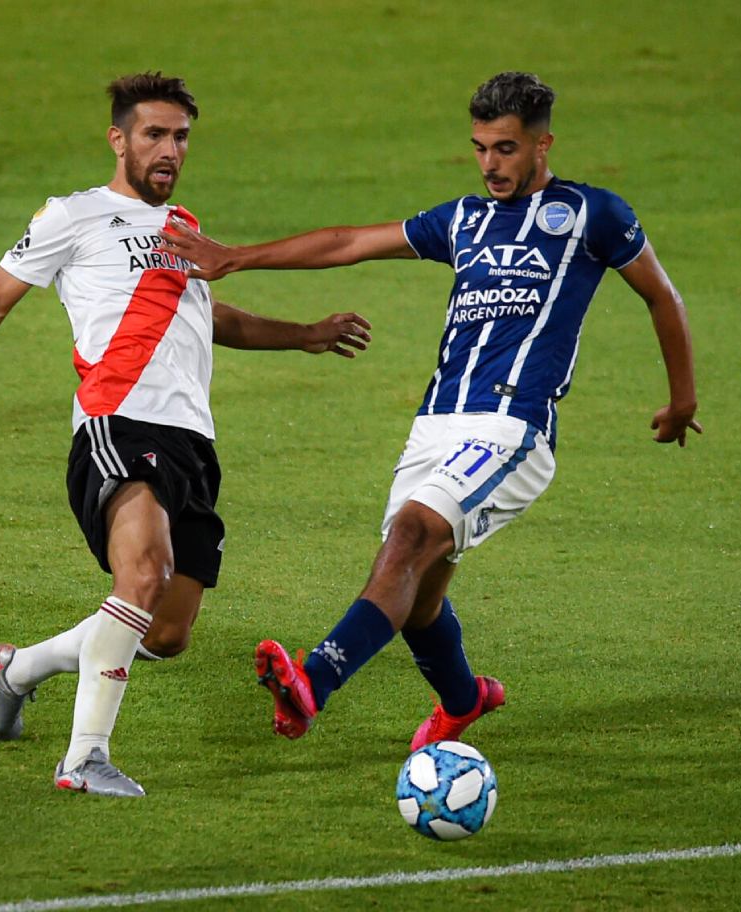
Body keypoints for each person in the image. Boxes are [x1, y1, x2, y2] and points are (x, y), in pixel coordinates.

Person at [160, 71, 701, 750]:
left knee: (411, 537)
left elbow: (662, 296)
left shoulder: (593, 215)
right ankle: (464, 699)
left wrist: (682, 400)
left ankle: (312, 682)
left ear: (542, 144)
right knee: (414, 593)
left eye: (505, 149)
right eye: (480, 148)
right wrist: (237, 258)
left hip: (514, 427)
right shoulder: (463, 221)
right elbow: (346, 241)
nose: (490, 164)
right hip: (435, 426)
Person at [0, 72, 371, 797]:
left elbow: (210, 316)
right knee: (139, 578)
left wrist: (303, 335)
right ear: (119, 139)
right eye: (155, 135)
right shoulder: (72, 217)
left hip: (192, 444)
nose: (170, 150)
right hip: (117, 423)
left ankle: (13, 668)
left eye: (181, 138)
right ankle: (84, 759)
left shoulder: (183, 228)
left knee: (165, 631)